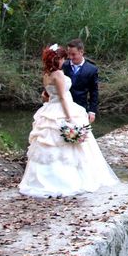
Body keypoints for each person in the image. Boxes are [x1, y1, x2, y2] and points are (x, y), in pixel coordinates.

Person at [19, 44, 118, 198]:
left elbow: (45, 95)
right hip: (62, 108)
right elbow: (64, 97)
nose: (64, 61)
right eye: (63, 58)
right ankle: (66, 180)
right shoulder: (58, 74)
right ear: (57, 59)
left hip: (50, 107)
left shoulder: (46, 74)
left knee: (50, 143)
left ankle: (39, 180)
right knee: (68, 145)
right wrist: (70, 118)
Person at [63, 38, 98, 124]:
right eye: (69, 54)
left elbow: (94, 91)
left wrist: (92, 111)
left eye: (73, 54)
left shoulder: (92, 69)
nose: (70, 57)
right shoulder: (63, 65)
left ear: (81, 52)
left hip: (81, 107)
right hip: (63, 107)